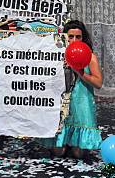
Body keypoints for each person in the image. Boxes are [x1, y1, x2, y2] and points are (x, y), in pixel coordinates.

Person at [40, 20, 103, 158]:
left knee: (78, 153)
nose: (74, 40)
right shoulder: (55, 54)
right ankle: (65, 140)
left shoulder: (90, 57)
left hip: (81, 103)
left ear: (83, 38)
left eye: (78, 37)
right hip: (60, 104)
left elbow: (98, 83)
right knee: (58, 152)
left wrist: (80, 72)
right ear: (64, 36)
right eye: (71, 36)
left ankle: (73, 142)